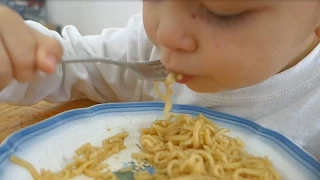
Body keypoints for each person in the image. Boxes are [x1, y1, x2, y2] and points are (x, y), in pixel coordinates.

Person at [0, 1, 319, 158]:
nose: (164, 32)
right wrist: (15, 54)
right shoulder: (144, 51)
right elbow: (65, 63)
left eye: (222, 11)